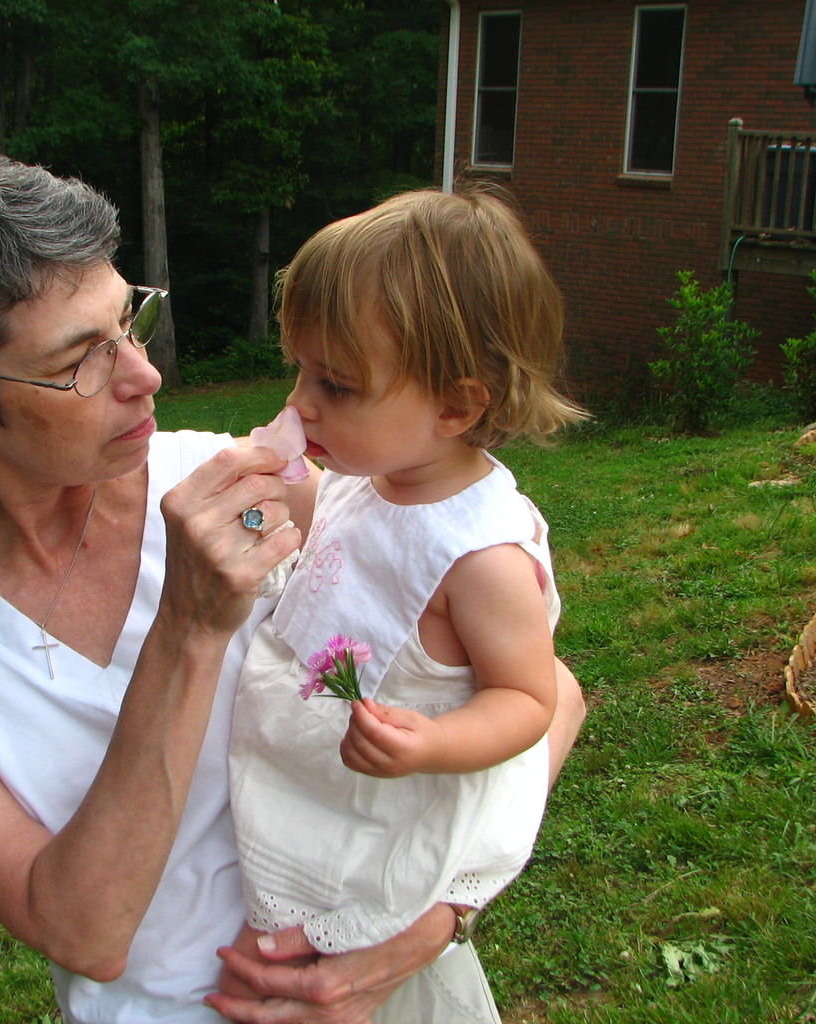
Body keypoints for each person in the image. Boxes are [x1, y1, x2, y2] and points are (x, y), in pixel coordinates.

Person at [0, 142, 586, 1024]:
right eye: (78, 362)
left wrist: (425, 927)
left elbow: (547, 695)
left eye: (127, 325)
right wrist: (188, 624)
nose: (146, 377)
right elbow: (82, 928)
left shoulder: (253, 485)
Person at [225, 187, 589, 1022]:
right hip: (306, 792)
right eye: (301, 370)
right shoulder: (368, 476)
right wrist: (262, 504)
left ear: (456, 406)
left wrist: (436, 739)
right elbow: (329, 547)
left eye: (337, 385)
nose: (301, 403)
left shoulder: (479, 556)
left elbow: (529, 697)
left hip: (376, 825)